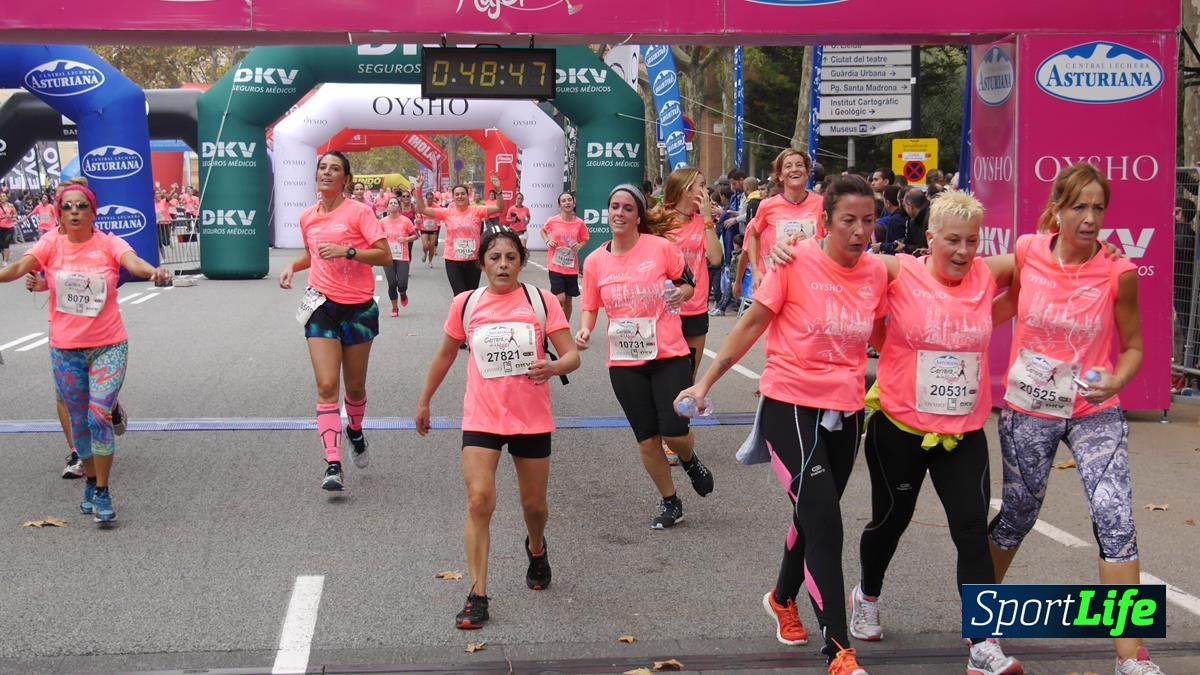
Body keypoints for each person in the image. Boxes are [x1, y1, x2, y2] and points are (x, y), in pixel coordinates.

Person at [676, 175, 885, 675]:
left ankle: (781, 597)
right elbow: (750, 325)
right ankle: (838, 649)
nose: (859, 231)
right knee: (826, 525)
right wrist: (704, 384)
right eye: (848, 221)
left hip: (846, 408)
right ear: (825, 221)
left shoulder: (878, 271)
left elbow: (904, 309)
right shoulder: (795, 265)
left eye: (869, 221)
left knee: (813, 514)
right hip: (789, 404)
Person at [987, 163, 1163, 675]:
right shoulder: (1026, 252)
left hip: (1094, 412)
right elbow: (964, 279)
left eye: (1098, 208)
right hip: (1029, 411)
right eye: (1079, 207)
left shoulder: (1117, 270)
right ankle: (983, 627)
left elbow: (1133, 347)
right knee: (1018, 516)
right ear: (1057, 209)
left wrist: (1118, 380)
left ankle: (1129, 655)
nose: (1090, 219)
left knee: (1117, 521)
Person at [846, 191, 1024, 675]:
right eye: (952, 241)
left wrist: (1094, 249)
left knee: (970, 528)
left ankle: (982, 643)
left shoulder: (986, 275)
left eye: (972, 241)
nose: (964, 251)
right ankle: (867, 594)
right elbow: (839, 258)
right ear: (930, 239)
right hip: (900, 425)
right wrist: (786, 250)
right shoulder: (901, 271)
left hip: (963, 431)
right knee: (892, 520)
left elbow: (1038, 255)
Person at [416, 229, 580, 630]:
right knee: (479, 500)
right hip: (482, 417)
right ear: (482, 264)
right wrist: (425, 400)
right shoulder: (466, 305)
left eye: (510, 257)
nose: (503, 265)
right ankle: (477, 594)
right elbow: (444, 355)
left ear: (521, 261)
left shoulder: (541, 302)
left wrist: (553, 366)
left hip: (531, 418)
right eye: (494, 258)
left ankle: (536, 548)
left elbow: (572, 355)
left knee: (534, 507)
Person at [0, 183, 171, 526]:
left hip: (108, 344)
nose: (74, 211)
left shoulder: (109, 243)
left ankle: (104, 490)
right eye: (67, 207)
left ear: (93, 213)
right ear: (60, 215)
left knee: (97, 417)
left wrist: (153, 272)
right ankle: (91, 481)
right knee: (79, 423)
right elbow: (17, 270)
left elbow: (133, 262)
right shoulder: (51, 243)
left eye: (81, 206)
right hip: (65, 350)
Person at [575, 184, 714, 530]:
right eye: (614, 207)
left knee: (674, 432)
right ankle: (670, 502)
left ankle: (689, 458)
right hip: (624, 362)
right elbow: (590, 306)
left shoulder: (660, 248)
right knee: (647, 438)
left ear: (638, 216)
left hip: (668, 353)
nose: (619, 213)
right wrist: (585, 329)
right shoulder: (595, 261)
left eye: (627, 208)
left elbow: (688, 284)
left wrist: (680, 296)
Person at [278, 151, 392, 492]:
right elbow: (312, 254)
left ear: (346, 179)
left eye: (335, 169)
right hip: (321, 305)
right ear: (316, 175)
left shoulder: (359, 212)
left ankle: (355, 431)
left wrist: (349, 251)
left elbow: (385, 254)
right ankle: (332, 463)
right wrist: (292, 268)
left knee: (354, 387)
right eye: (323, 168)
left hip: (358, 308)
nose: (327, 174)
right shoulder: (307, 217)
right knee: (328, 385)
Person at [649, 168, 723, 380]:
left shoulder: (702, 222)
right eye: (701, 185)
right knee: (662, 372)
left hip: (696, 308)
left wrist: (708, 219)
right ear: (686, 190)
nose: (706, 190)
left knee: (688, 375)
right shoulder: (657, 220)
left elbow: (716, 259)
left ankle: (681, 412)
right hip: (664, 307)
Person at [738, 149, 826, 299]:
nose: (794, 169)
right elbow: (753, 236)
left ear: (807, 172)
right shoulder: (767, 205)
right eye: (788, 166)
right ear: (780, 175)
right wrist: (756, 270)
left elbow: (831, 239)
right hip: (776, 280)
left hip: (812, 281)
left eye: (799, 165)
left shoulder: (822, 204)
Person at [413, 175, 505, 300]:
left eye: (463, 194)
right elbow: (421, 209)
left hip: (473, 260)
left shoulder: (477, 211)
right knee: (460, 295)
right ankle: (460, 318)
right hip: (453, 260)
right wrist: (418, 190)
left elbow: (499, 208)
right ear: (453, 197)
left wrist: (498, 189)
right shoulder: (446, 212)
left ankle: (469, 318)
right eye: (457, 194)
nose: (460, 196)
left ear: (468, 196)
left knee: (472, 295)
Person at [541, 191, 589, 321]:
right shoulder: (553, 221)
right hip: (555, 265)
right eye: (564, 201)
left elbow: (585, 238)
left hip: (571, 267)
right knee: (560, 298)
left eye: (569, 200)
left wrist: (579, 246)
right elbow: (543, 231)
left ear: (574, 203)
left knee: (568, 300)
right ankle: (556, 322)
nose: (567, 202)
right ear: (560, 205)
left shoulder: (579, 223)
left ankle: (564, 326)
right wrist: (547, 241)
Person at [380, 196, 418, 317]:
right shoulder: (382, 222)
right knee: (391, 283)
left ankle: (402, 292)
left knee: (402, 283)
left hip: (402, 256)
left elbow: (416, 235)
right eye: (390, 203)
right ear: (387, 207)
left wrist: (406, 238)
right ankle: (395, 308)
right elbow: (376, 237)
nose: (392, 205)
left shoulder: (405, 221)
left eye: (395, 203)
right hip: (387, 256)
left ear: (399, 206)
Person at [418, 190, 441, 267]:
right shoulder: (423, 206)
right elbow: (419, 215)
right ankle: (425, 253)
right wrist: (419, 220)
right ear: (426, 198)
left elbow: (441, 215)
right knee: (425, 246)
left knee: (431, 246)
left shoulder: (437, 206)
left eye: (431, 198)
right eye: (428, 198)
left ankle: (430, 261)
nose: (430, 200)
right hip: (424, 228)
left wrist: (438, 222)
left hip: (434, 228)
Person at [0, 192, 18, 263]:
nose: (2, 198)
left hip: (9, 227)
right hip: (1, 227)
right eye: (1, 196)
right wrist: (2, 217)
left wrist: (11, 217)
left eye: (4, 196)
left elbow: (15, 214)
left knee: (6, 244)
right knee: (1, 245)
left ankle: (5, 261)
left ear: (6, 198)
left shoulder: (11, 206)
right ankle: (4, 257)